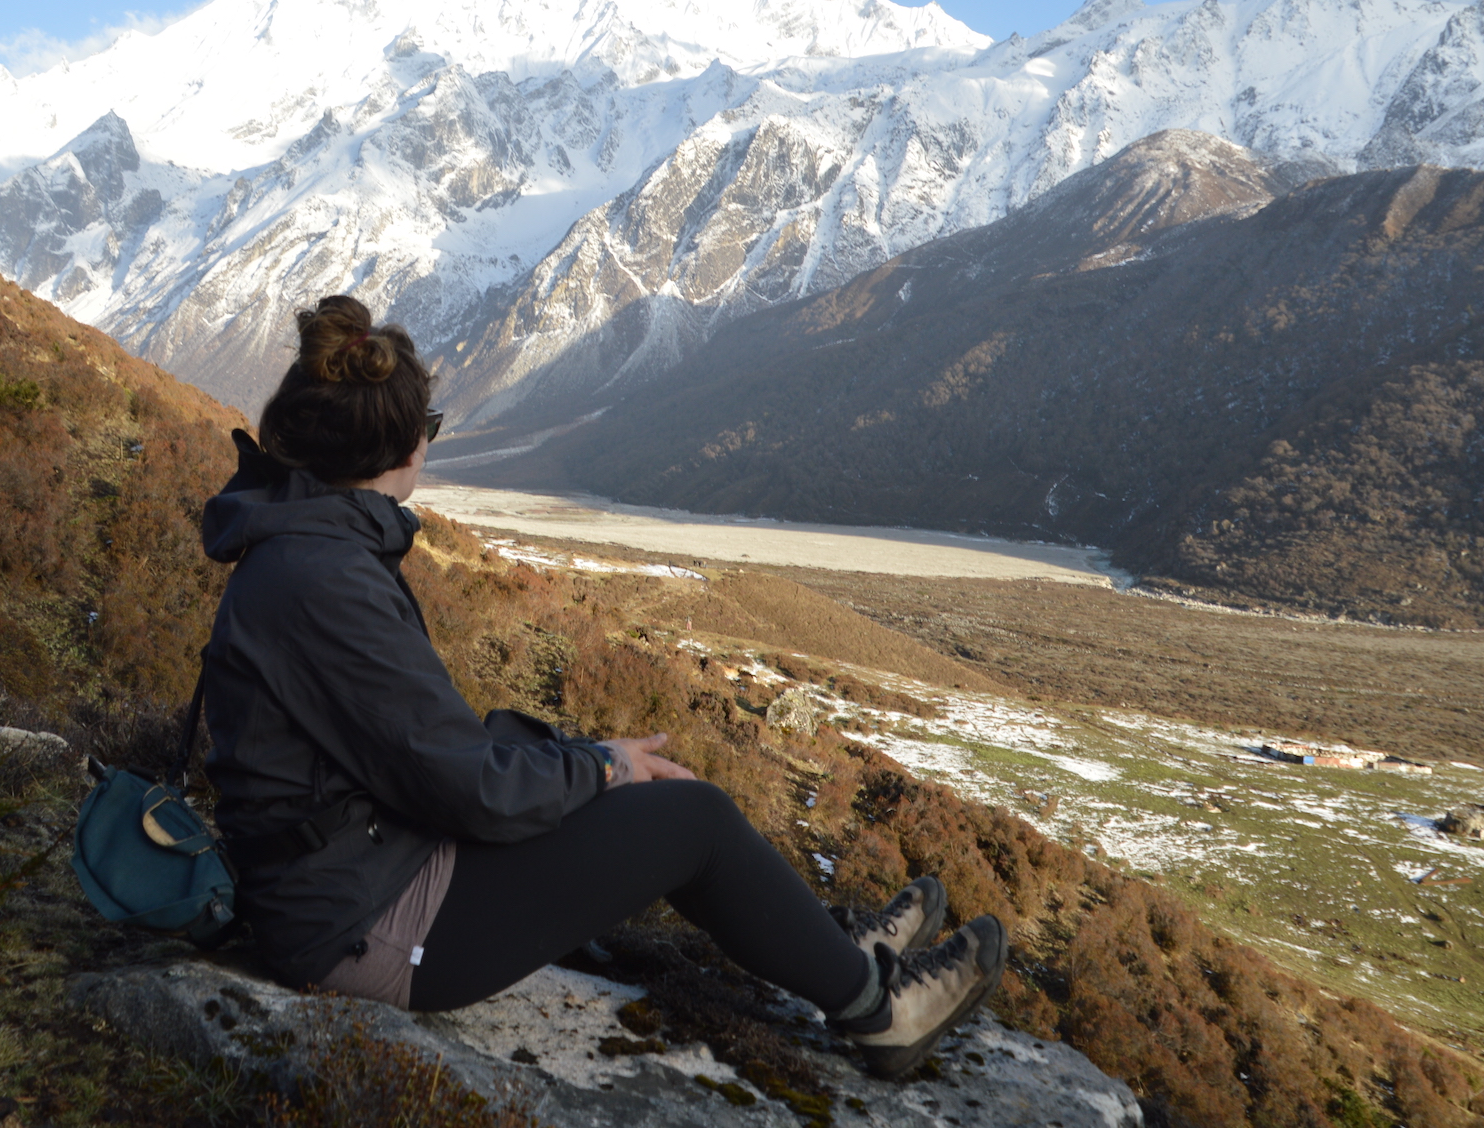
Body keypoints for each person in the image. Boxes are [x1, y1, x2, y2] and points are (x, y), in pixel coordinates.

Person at [197, 294, 1006, 1077]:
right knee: (695, 822)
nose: (429, 447)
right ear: (397, 449)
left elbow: (423, 756)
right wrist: (603, 768)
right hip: (362, 922)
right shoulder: (325, 578)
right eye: (429, 429)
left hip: (357, 871)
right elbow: (470, 787)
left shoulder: (307, 544)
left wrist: (588, 766)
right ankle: (882, 1014)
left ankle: (833, 949)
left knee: (562, 763)